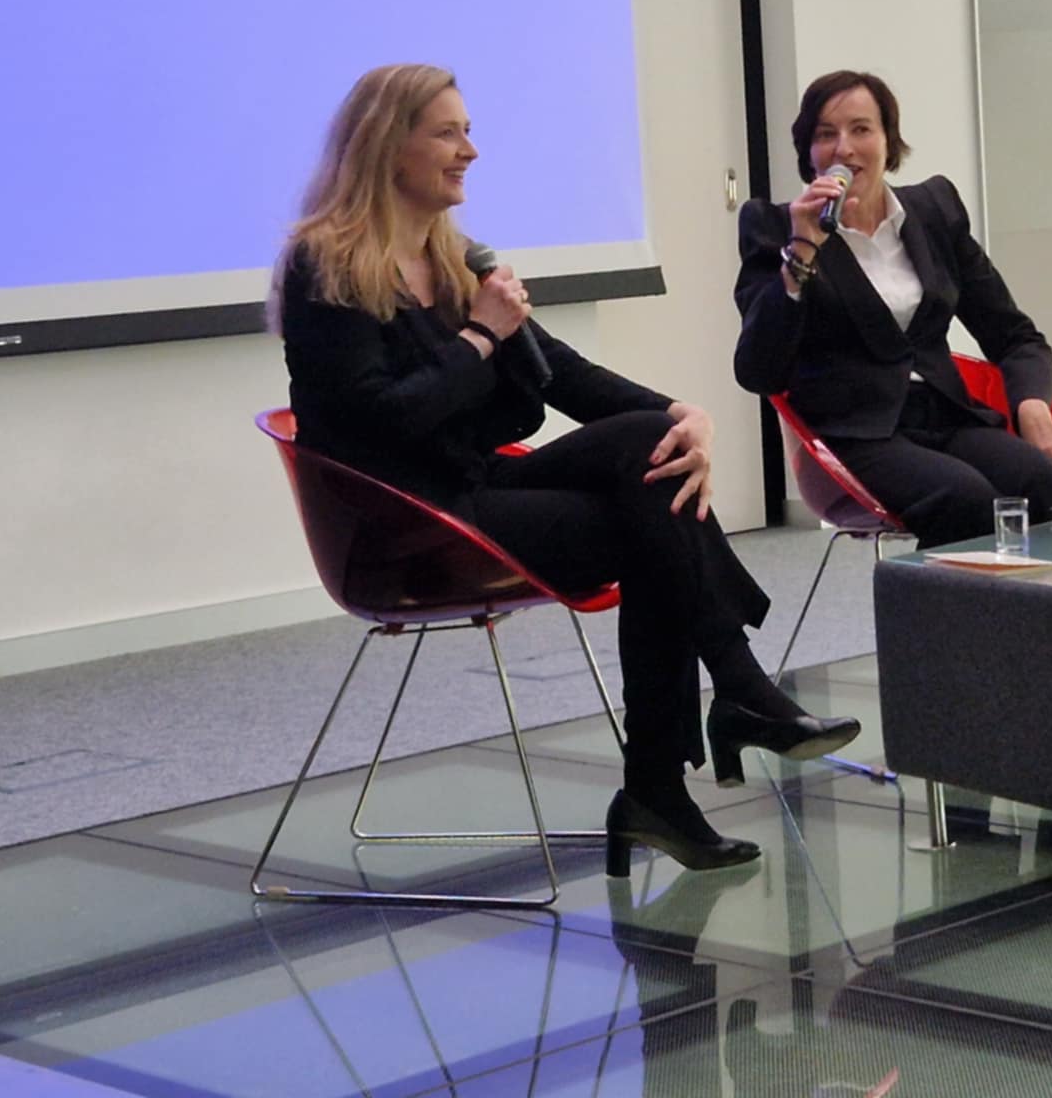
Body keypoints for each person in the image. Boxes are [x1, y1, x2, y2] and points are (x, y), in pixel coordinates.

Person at [276, 63, 857, 877]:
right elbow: (385, 420)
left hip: (472, 485)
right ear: (387, 145)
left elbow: (562, 374)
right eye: (447, 133)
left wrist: (678, 412)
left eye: (468, 130)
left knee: (650, 455)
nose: (470, 150)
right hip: (403, 523)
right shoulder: (325, 265)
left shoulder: (455, 260)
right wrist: (480, 335)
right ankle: (705, 728)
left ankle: (707, 730)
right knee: (650, 521)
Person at [734, 70, 1052, 549]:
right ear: (808, 152)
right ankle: (950, 602)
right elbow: (758, 370)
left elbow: (1014, 335)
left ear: (888, 140)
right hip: (852, 434)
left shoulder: (933, 210)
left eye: (861, 129)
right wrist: (801, 253)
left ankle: (1049, 599)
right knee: (966, 500)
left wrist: (1033, 408)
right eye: (825, 135)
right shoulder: (775, 228)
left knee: (1043, 483)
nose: (843, 149)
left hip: (946, 417)